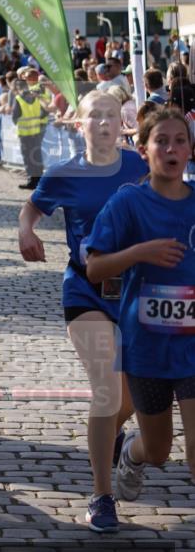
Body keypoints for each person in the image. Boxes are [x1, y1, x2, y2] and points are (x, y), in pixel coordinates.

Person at [19, 90, 149, 532]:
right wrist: (25, 232)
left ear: (122, 123)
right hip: (86, 290)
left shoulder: (139, 166)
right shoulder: (64, 173)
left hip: (136, 292)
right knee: (107, 391)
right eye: (96, 116)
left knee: (132, 399)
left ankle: (116, 440)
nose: (104, 123)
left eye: (112, 115)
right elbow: (32, 209)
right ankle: (101, 497)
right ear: (80, 124)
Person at [87, 106, 195, 510]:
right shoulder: (128, 203)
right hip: (146, 347)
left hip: (192, 347)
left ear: (190, 150)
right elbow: (95, 268)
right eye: (161, 141)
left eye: (179, 141)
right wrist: (139, 252)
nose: (171, 148)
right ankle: (133, 453)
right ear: (143, 150)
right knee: (159, 450)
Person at [13, 66, 49, 190]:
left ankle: (33, 180)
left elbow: (15, 115)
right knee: (35, 155)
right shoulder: (37, 90)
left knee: (30, 155)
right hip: (37, 126)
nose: (24, 79)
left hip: (34, 128)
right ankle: (36, 180)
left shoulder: (35, 90)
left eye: (26, 77)